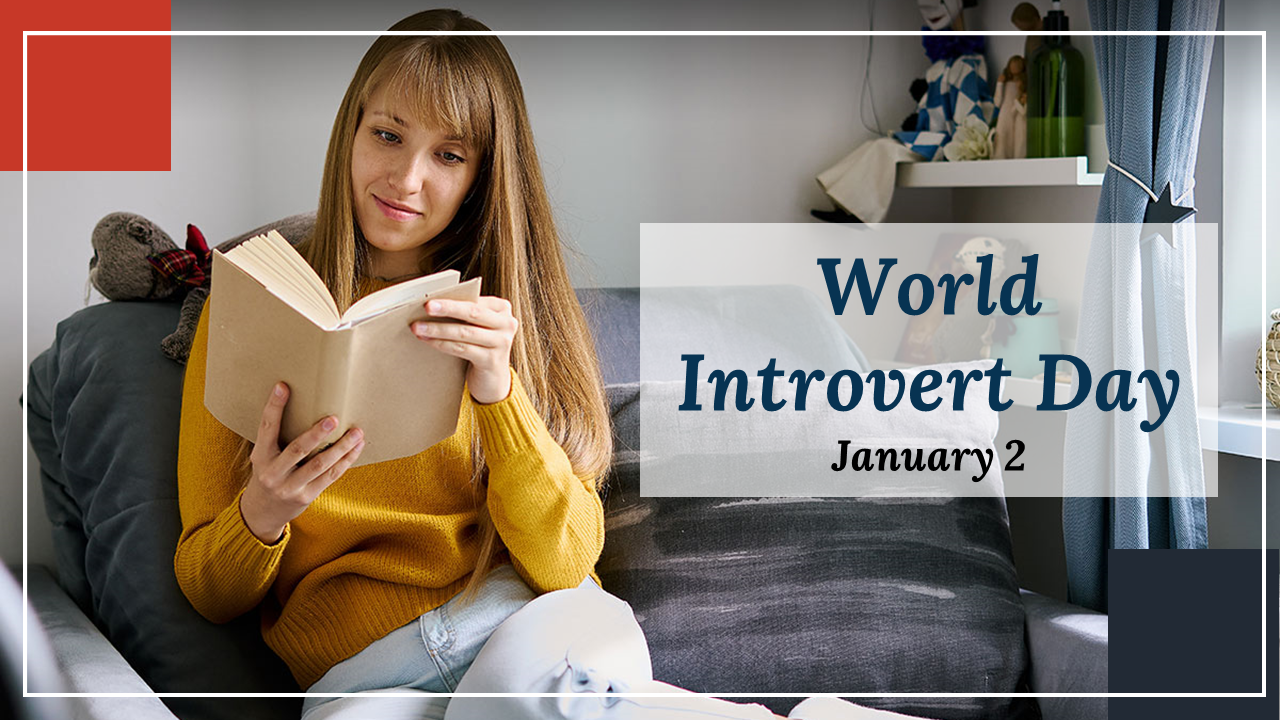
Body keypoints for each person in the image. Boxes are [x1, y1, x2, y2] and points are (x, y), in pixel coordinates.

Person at [174, 9, 913, 720]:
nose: (406, 179)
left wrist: (499, 396)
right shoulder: (254, 305)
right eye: (388, 135)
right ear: (351, 132)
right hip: (366, 679)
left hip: (523, 631)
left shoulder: (516, 314)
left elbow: (565, 563)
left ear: (482, 176)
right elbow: (207, 589)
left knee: (544, 698)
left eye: (449, 155)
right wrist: (262, 515)